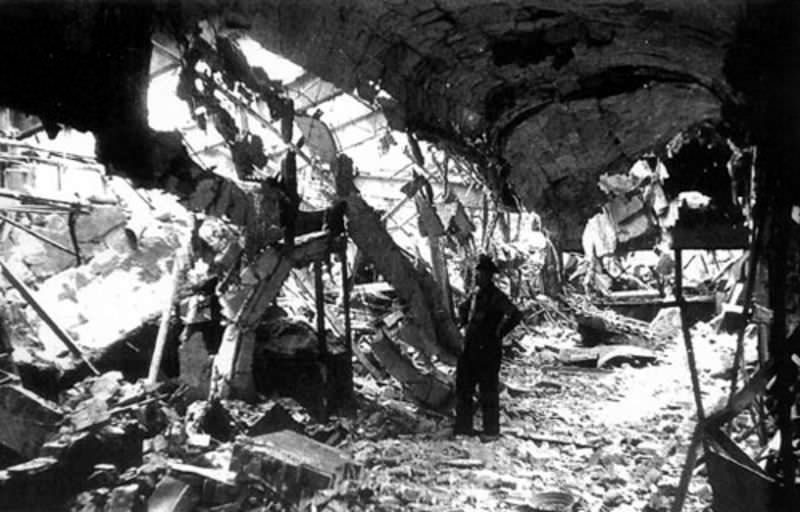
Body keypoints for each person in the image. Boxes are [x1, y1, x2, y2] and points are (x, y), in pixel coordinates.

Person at [454, 254, 522, 440]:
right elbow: (463, 309)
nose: (477, 276)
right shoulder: (475, 294)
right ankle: (463, 428)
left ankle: (491, 431)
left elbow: (515, 315)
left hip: (488, 349)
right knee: (464, 388)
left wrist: (499, 333)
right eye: (477, 273)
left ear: (488, 275)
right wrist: (461, 321)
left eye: (480, 274)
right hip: (470, 347)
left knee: (488, 390)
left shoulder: (497, 297)